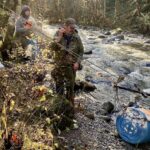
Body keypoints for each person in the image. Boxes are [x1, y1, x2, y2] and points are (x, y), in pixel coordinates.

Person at [51, 18, 84, 107]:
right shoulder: (58, 34)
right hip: (59, 65)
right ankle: (59, 104)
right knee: (59, 85)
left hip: (71, 66)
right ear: (65, 26)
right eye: (71, 27)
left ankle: (70, 106)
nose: (72, 29)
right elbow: (51, 47)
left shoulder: (76, 37)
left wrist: (77, 62)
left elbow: (81, 51)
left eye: (74, 27)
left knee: (70, 88)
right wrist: (59, 37)